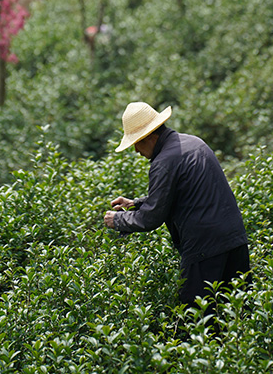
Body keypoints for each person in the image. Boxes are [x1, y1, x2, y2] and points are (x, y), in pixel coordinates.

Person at [104, 101, 250, 308]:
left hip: (205, 249)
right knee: (238, 311)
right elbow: (183, 195)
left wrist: (117, 219)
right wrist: (135, 204)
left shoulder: (163, 162)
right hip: (235, 240)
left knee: (198, 318)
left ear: (148, 137)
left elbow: (151, 218)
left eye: (136, 142)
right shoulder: (194, 143)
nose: (136, 150)